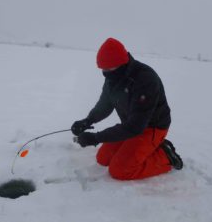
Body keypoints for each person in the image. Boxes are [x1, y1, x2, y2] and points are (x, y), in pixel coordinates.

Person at [71, 38, 183, 180]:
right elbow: (105, 105)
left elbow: (135, 127)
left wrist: (96, 137)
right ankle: (145, 149)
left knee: (120, 170)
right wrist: (87, 121)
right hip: (131, 125)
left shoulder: (145, 79)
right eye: (102, 69)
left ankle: (165, 156)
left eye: (108, 68)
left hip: (152, 128)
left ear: (120, 63)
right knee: (103, 158)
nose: (105, 73)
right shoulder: (113, 77)